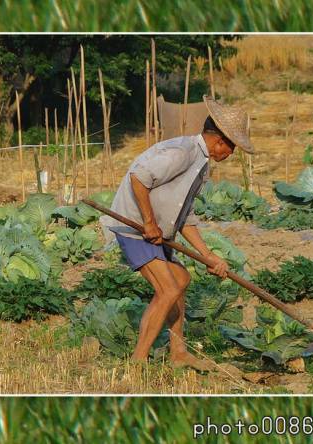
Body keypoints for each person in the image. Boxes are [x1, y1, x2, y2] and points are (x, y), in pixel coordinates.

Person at [100, 95, 254, 369]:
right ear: (221, 141)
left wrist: (208, 256)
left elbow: (186, 216)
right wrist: (148, 222)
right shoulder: (182, 153)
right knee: (168, 288)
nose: (231, 155)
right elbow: (139, 176)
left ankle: (178, 353)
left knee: (180, 279)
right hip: (135, 226)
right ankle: (137, 361)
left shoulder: (201, 164)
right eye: (233, 149)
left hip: (159, 232)